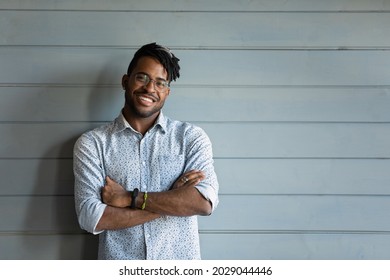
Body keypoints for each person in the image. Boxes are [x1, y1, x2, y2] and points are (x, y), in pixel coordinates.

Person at [73, 42, 219, 260]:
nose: (150, 88)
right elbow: (92, 218)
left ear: (167, 92)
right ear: (125, 81)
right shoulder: (93, 144)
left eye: (160, 83)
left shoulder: (190, 138)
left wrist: (130, 198)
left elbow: (203, 202)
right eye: (142, 77)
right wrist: (173, 197)